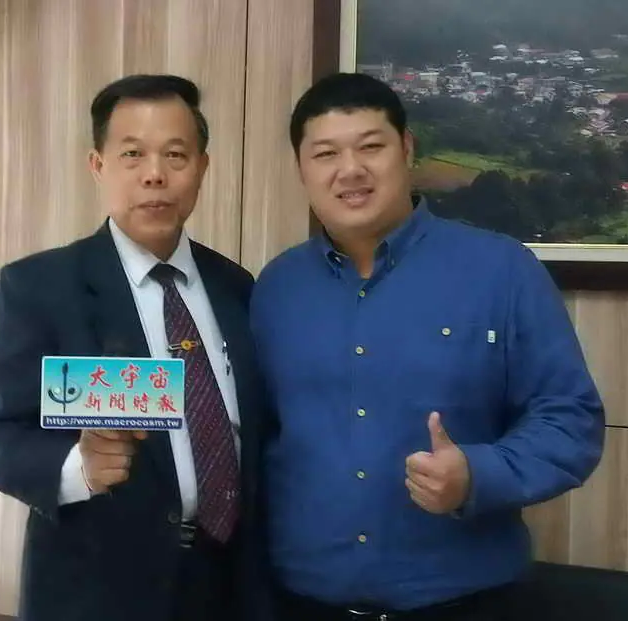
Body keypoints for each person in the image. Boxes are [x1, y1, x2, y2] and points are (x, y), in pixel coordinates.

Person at [249, 72, 605, 621]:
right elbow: (251, 433)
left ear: (407, 149)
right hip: (300, 601)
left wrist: (478, 476)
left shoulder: (501, 270)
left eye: (371, 146)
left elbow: (570, 419)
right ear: (301, 168)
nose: (350, 170)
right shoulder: (276, 288)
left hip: (466, 602)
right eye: (325, 154)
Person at [0, 74, 270, 621]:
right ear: (98, 165)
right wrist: (77, 466)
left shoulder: (236, 286)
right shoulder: (39, 287)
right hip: (100, 589)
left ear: (202, 167)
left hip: (226, 583)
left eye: (175, 154)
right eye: (132, 154)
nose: (155, 174)